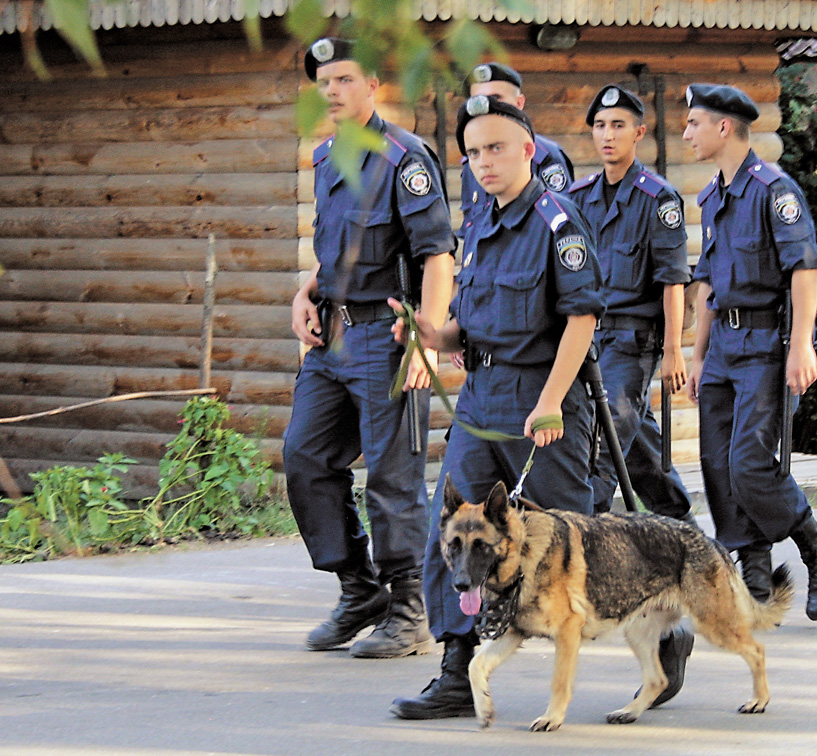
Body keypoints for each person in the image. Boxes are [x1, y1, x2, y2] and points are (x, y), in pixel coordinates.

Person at [389, 95, 605, 719]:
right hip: (481, 401)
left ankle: (663, 632)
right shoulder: (480, 222)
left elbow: (582, 319)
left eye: (496, 148)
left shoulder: (558, 220)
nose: (484, 161)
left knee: (572, 542)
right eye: (475, 151)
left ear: (528, 151)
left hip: (543, 402)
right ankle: (457, 671)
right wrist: (432, 336)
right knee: (453, 531)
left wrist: (551, 401)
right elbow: (470, 324)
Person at [282, 38, 456, 659]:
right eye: (323, 82)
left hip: (388, 340)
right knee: (304, 457)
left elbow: (437, 256)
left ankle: (410, 607)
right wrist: (304, 293)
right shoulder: (327, 157)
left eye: (343, 79)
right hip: (330, 337)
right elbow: (337, 250)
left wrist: (427, 342)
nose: (330, 92)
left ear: (374, 85)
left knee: (392, 474)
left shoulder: (406, 158)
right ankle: (358, 588)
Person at [682, 83, 817, 619]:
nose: (686, 133)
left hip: (766, 345)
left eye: (694, 124)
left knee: (752, 463)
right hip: (724, 348)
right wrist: (697, 355)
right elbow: (707, 283)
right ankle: (754, 575)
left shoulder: (774, 190)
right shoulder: (713, 197)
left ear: (724, 127)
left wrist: (802, 344)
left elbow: (804, 268)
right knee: (717, 464)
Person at [568, 84, 696, 707]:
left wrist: (675, 349)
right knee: (630, 446)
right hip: (585, 337)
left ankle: (586, 551)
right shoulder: (576, 199)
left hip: (634, 342)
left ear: (639, 133)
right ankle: (675, 519)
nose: (609, 134)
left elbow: (674, 282)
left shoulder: (659, 201)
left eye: (620, 124)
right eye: (600, 125)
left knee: (604, 437)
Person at [458, 62, 573, 236]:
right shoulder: (471, 163)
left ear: (519, 103)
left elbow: (561, 225)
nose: (487, 107)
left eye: (496, 99)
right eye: (478, 101)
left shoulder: (544, 156)